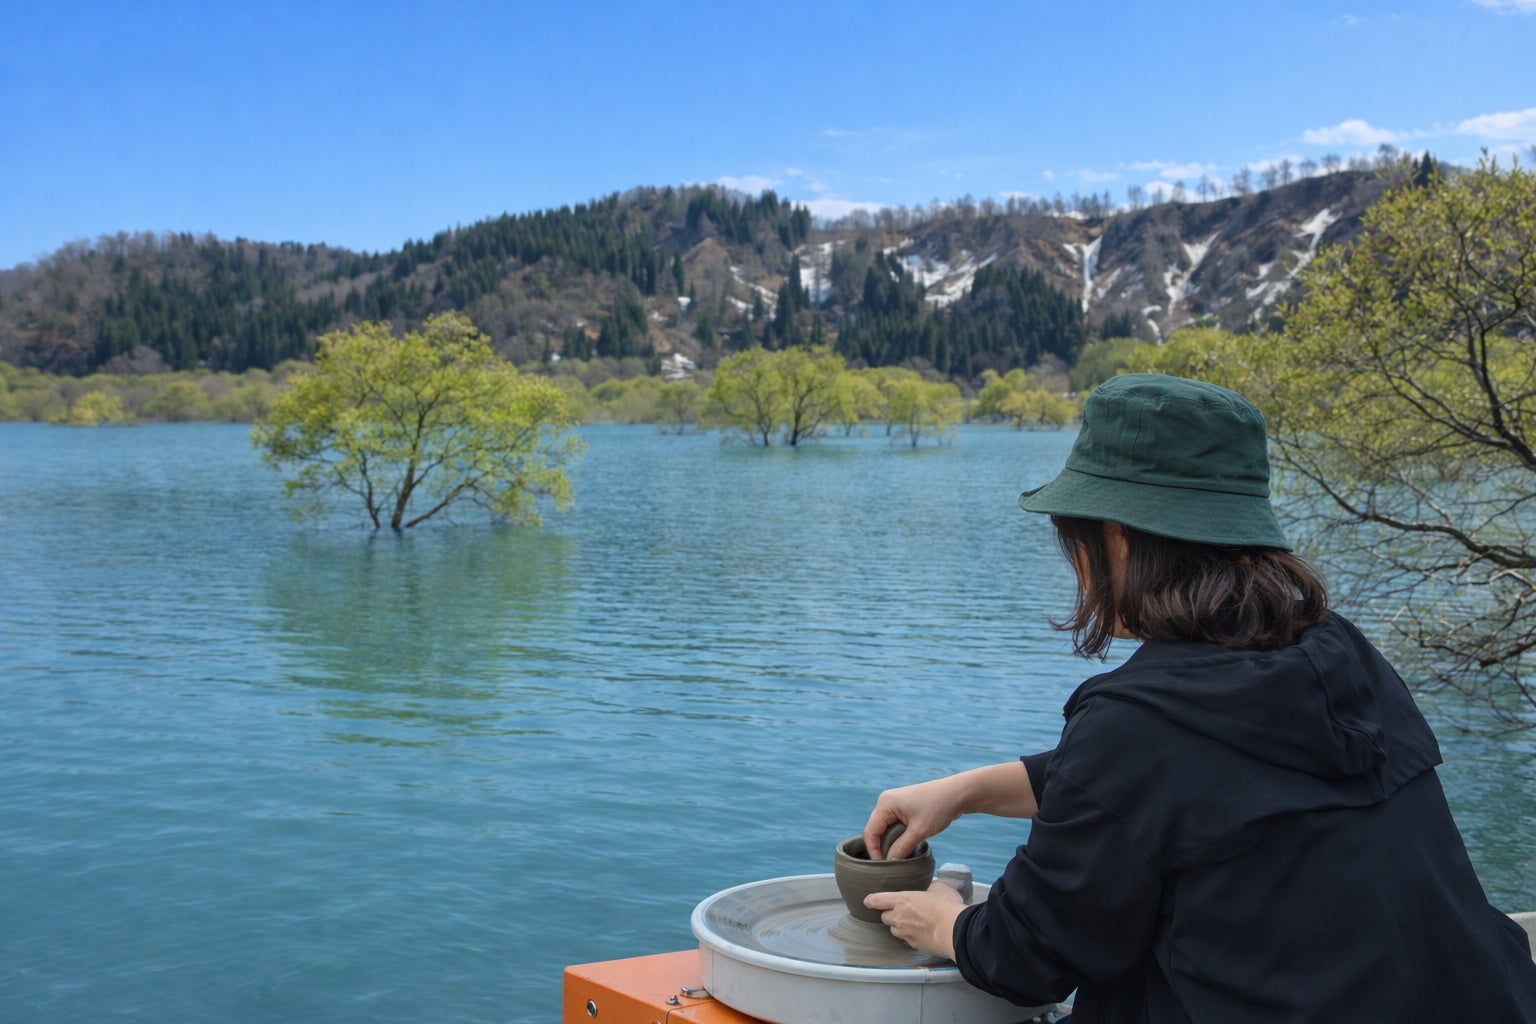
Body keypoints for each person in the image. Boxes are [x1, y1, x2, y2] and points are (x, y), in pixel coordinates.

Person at [861, 374, 1536, 1022]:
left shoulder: (1135, 727)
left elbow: (1030, 953)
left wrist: (950, 925)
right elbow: (1177, 784)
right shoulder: (1339, 652)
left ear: (1117, 538)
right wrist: (969, 789)